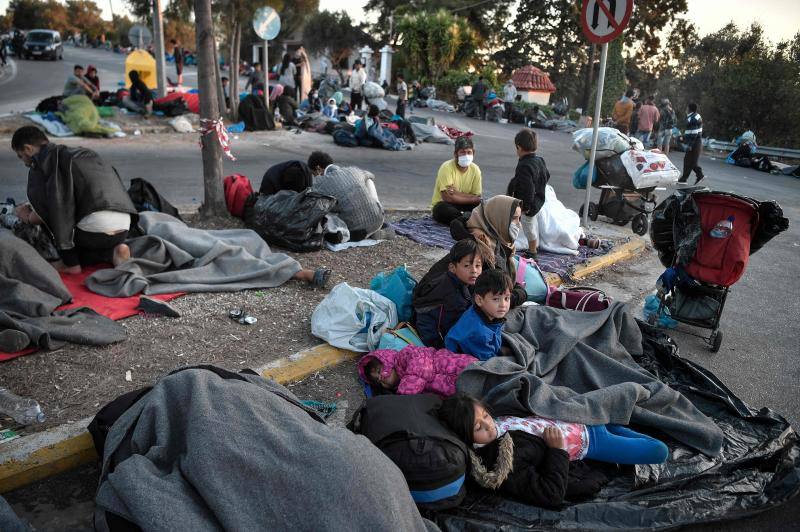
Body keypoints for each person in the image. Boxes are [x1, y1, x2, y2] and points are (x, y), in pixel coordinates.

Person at [438, 394, 666, 508]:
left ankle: (615, 422)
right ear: (466, 437)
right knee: (659, 451)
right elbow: (550, 493)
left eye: (486, 416)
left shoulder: (497, 425)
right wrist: (558, 451)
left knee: (627, 397)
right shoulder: (501, 463)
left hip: (580, 416)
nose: (489, 425)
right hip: (590, 441)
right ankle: (616, 426)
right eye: (478, 427)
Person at [11, 126, 136, 274]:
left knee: (56, 218)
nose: (24, 162)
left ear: (28, 149)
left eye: (20, 156)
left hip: (92, 233)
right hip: (123, 227)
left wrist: (22, 214)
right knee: (87, 225)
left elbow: (45, 213)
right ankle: (114, 252)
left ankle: (70, 264)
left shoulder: (44, 164)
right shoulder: (84, 153)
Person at [413, 239, 484, 348]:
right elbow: (426, 323)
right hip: (438, 343)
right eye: (467, 265)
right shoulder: (451, 294)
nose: (474, 270)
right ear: (452, 268)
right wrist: (441, 349)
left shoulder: (464, 282)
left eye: (478, 266)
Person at [311, 152, 384, 241]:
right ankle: (376, 221)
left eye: (313, 174)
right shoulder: (353, 170)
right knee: (368, 180)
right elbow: (371, 175)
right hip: (378, 220)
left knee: (322, 206)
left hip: (354, 228)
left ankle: (346, 236)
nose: (314, 177)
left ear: (318, 169)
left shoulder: (320, 182)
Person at [444, 269, 513, 360]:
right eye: (496, 299)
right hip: (461, 359)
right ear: (479, 300)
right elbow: (488, 363)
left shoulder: (483, 311)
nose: (503, 305)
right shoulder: (479, 334)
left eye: (507, 298)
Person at [359, 346, 478, 396]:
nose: (381, 377)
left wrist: (404, 394)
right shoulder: (404, 385)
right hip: (461, 391)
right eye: (377, 380)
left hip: (465, 368)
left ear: (388, 361)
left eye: (379, 370)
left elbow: (420, 366)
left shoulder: (405, 356)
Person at [506, 128, 550, 254]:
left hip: (528, 203)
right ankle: (522, 245)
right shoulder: (540, 160)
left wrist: (526, 206)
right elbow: (547, 175)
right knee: (529, 224)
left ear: (519, 147)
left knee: (528, 225)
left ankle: (532, 251)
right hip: (539, 198)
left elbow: (528, 187)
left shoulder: (524, 165)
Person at [430, 136, 482, 225]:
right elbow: (447, 197)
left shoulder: (475, 169)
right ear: (455, 154)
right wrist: (471, 198)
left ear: (473, 153)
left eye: (469, 152)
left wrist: (456, 193)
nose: (466, 156)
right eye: (462, 152)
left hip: (464, 205)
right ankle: (466, 220)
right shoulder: (447, 167)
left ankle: (463, 220)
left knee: (482, 207)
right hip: (445, 204)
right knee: (442, 210)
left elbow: (477, 197)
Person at [679, 102, 705, 184]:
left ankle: (700, 176)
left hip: (694, 142)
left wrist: (690, 145)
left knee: (692, 162)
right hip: (696, 141)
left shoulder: (692, 118)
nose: (686, 109)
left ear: (689, 109)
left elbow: (694, 134)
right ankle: (683, 179)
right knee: (687, 160)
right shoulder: (696, 116)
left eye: (687, 108)